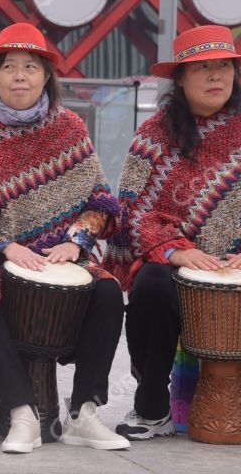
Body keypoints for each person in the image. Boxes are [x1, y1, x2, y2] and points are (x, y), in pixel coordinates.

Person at [0, 23, 130, 454]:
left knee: (108, 292)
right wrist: (5, 244)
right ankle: (23, 412)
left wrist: (77, 240)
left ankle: (85, 412)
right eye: (9, 67)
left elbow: (100, 199)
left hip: (62, 256)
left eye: (30, 67)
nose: (19, 76)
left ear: (46, 76)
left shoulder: (70, 127)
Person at [105, 24, 241, 441]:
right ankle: (151, 408)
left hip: (235, 261)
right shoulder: (154, 135)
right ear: (179, 79)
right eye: (203, 68)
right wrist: (172, 250)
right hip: (175, 263)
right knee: (150, 283)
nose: (217, 76)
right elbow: (131, 210)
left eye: (224, 67)